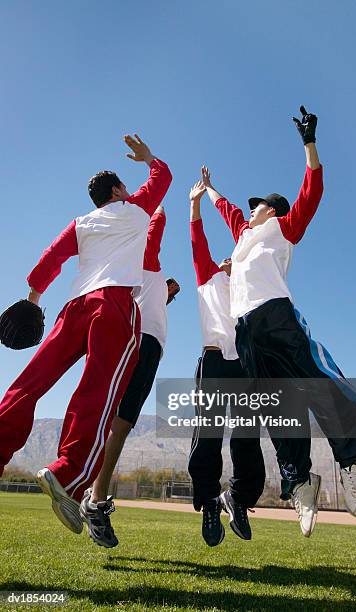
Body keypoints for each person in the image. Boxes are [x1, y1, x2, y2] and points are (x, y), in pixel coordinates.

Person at [201, 106, 356, 535]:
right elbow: (227, 209)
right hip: (246, 330)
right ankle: (300, 481)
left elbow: (313, 189)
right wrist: (209, 190)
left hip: (276, 316)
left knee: (317, 385)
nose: (249, 212)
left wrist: (309, 143)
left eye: (257, 206)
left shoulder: (283, 227)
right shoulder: (244, 235)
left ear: (272, 209)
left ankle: (351, 460)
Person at [0, 134, 172, 534]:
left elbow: (50, 258)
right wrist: (149, 159)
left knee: (28, 385)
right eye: (124, 189)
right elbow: (163, 179)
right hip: (112, 307)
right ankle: (68, 473)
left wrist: (33, 299)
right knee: (97, 392)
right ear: (117, 191)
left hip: (72, 308)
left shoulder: (82, 223)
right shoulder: (133, 211)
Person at [79, 204, 180, 548]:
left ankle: (91, 493)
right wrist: (159, 198)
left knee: (117, 425)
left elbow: (151, 299)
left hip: (141, 341)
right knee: (117, 425)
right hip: (142, 342)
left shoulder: (140, 277)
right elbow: (157, 224)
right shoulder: (144, 259)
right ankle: (91, 496)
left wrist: (167, 294)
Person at [188, 180, 266, 546]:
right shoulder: (208, 277)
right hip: (215, 362)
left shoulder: (248, 288)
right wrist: (196, 205)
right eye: (227, 259)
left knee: (248, 437)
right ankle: (208, 504)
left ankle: (238, 497)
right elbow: (198, 241)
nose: (229, 260)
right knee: (208, 437)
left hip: (245, 366)